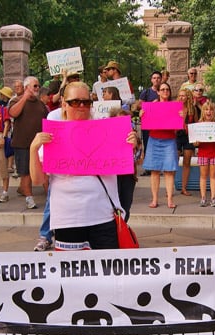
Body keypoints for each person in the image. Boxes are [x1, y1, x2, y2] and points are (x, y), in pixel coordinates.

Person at [29, 82, 138, 250]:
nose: (81, 106)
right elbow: (38, 180)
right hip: (68, 219)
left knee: (107, 271)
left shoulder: (107, 130)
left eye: (86, 102)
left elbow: (123, 165)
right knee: (72, 274)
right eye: (75, 102)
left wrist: (130, 145)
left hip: (103, 216)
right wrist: (33, 149)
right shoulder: (53, 135)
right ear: (64, 103)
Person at [8, 76, 48, 210]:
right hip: (23, 144)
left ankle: (50, 195)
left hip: (40, 145)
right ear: (27, 88)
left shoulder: (41, 104)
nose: (37, 88)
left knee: (45, 171)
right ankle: (29, 198)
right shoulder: (16, 100)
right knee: (25, 173)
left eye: (38, 86)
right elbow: (13, 113)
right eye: (35, 86)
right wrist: (24, 98)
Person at [142, 82, 179, 209]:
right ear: (158, 92)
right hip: (154, 139)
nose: (165, 91)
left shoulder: (174, 107)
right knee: (155, 170)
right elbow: (145, 121)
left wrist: (181, 117)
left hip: (169, 140)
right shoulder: (152, 105)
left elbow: (178, 127)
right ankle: (155, 199)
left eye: (167, 89)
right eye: (162, 89)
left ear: (169, 92)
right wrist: (143, 113)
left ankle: (169, 199)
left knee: (169, 171)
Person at [195, 101, 215, 208]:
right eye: (206, 109)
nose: (209, 112)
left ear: (214, 112)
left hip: (214, 152)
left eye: (211, 110)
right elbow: (195, 143)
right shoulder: (198, 125)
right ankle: (203, 198)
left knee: (213, 176)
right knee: (203, 176)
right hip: (203, 152)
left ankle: (213, 198)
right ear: (203, 112)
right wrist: (196, 142)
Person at [177, 87, 200, 196]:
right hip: (176, 135)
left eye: (183, 95)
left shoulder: (192, 109)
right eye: (180, 95)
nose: (181, 97)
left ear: (188, 97)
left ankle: (183, 188)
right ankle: (171, 188)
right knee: (173, 162)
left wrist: (196, 139)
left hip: (188, 136)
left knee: (187, 162)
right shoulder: (175, 107)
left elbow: (196, 124)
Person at [0, 87, 14, 203]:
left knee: (2, 164)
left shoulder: (3, 110)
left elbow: (7, 123)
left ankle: (5, 191)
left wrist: (4, 136)